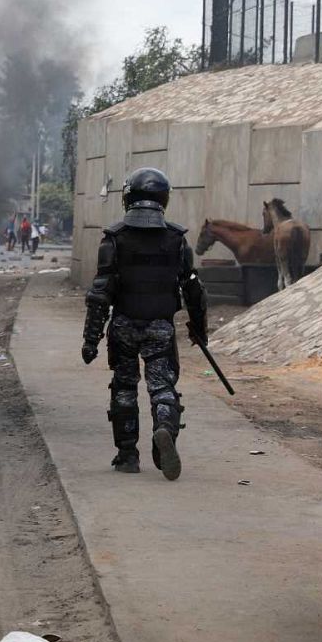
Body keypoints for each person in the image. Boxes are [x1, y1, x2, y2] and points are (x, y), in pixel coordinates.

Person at [81, 166, 207, 480]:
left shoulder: (115, 237)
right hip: (159, 327)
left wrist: (90, 339)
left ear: (129, 197)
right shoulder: (177, 239)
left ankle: (127, 456)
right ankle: (164, 429)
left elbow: (100, 292)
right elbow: (193, 288)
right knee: (162, 387)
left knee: (124, 387)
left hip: (124, 325)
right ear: (163, 197)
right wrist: (200, 329)